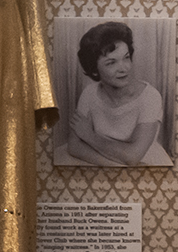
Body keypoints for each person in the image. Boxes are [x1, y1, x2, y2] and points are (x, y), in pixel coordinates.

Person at [57, 20, 171, 166]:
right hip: (107, 162)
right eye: (111, 62)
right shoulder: (89, 93)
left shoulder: (150, 97)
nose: (124, 68)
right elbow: (74, 146)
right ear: (94, 70)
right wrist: (116, 166)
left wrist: (89, 136)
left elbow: (133, 156)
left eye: (126, 57)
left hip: (145, 162)